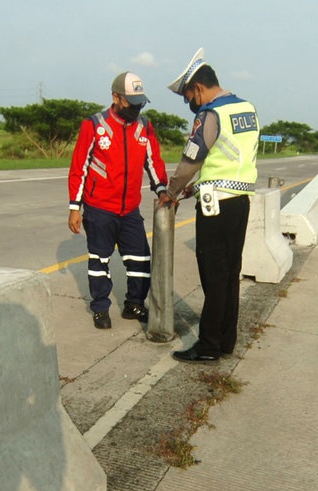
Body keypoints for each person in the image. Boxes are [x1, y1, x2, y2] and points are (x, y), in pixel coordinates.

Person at [160, 48, 260, 363]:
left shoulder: (211, 113)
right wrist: (193, 190)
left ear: (199, 88)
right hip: (240, 201)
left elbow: (193, 158)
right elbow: (228, 163)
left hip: (215, 207)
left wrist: (172, 191)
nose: (189, 102)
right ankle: (227, 340)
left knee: (213, 276)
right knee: (231, 274)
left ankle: (208, 345)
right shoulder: (247, 108)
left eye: (188, 95)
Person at [67, 71, 169, 329]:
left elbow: (153, 162)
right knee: (99, 261)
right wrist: (74, 207)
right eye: (131, 103)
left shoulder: (144, 127)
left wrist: (162, 190)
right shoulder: (94, 125)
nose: (136, 109)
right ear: (115, 97)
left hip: (129, 210)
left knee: (140, 261)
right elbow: (79, 167)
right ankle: (101, 308)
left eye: (140, 103)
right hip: (99, 208)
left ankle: (134, 304)